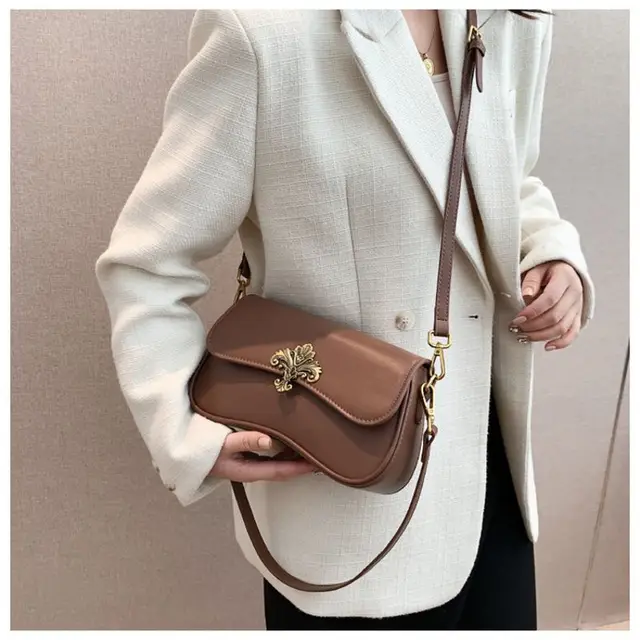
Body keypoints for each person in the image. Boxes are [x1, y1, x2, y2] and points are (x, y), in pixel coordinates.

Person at [95, 9, 595, 631]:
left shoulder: (512, 16)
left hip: (492, 472)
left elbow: (509, 174)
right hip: (350, 489)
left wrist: (551, 251)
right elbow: (148, 263)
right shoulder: (262, 32)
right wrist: (182, 434)